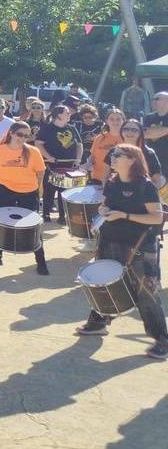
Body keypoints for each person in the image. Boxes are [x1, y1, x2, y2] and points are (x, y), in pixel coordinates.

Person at [73, 143, 168, 359]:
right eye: (112, 154)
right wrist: (103, 210)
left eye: (117, 155)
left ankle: (163, 339)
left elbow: (157, 217)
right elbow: (104, 206)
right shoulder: (113, 183)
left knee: (146, 292)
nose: (112, 158)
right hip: (110, 240)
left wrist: (124, 216)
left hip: (140, 246)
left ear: (132, 160)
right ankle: (98, 323)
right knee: (104, 282)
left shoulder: (145, 186)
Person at [0, 122, 50, 274]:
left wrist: (35, 188)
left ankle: (41, 262)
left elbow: (40, 172)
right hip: (4, 191)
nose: (23, 138)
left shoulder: (33, 151)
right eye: (20, 134)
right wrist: (1, 185)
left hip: (28, 192)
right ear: (11, 133)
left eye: (27, 136)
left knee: (33, 227)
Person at [35, 105, 83, 224]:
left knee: (64, 191)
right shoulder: (47, 128)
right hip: (52, 165)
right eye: (67, 112)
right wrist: (48, 157)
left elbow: (79, 144)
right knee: (49, 191)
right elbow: (38, 143)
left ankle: (63, 215)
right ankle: (46, 213)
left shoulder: (72, 128)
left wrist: (78, 158)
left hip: (68, 165)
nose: (69, 114)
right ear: (59, 115)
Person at [89, 109, 126, 183]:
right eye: (111, 119)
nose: (115, 122)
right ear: (107, 121)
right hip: (97, 178)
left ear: (123, 121)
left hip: (119, 180)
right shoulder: (99, 138)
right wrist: (87, 165)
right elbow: (92, 157)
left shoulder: (127, 138)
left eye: (118, 119)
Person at [141, 92, 168, 173]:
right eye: (152, 99)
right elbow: (144, 134)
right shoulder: (148, 117)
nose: (153, 101)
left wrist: (152, 132)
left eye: (157, 99)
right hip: (153, 157)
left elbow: (149, 133)